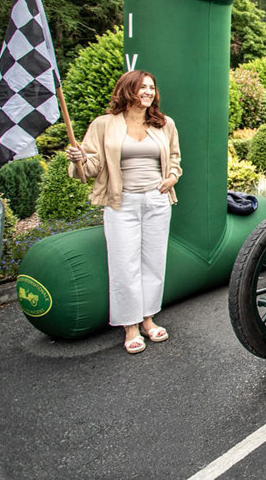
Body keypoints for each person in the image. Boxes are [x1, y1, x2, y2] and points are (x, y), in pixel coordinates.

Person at [65, 71, 181, 355]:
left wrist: (173, 177)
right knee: (124, 264)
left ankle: (148, 319)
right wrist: (80, 159)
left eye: (152, 87)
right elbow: (90, 168)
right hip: (122, 203)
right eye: (142, 87)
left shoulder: (164, 124)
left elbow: (175, 158)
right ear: (128, 90)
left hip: (157, 201)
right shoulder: (105, 124)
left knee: (153, 262)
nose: (148, 92)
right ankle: (130, 326)